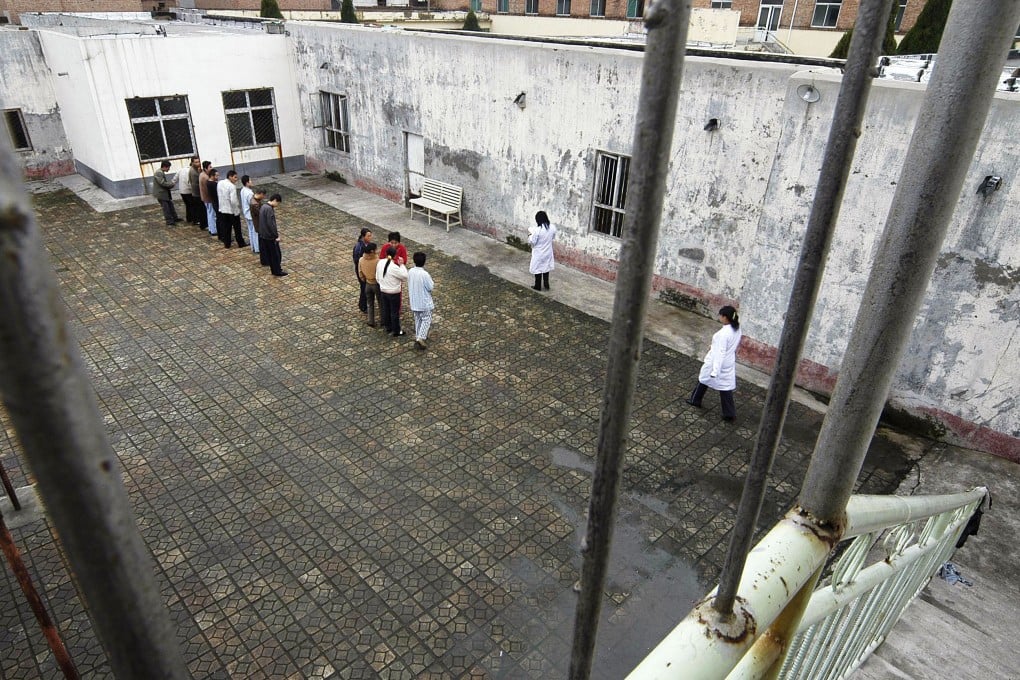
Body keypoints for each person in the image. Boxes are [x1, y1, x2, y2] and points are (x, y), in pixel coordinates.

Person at [686, 305, 742, 421]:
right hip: (728, 361)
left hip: (717, 362)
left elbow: (720, 353)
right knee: (725, 387)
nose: (719, 317)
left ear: (725, 317)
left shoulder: (723, 334)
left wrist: (715, 371)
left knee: (704, 379)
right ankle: (729, 413)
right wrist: (713, 346)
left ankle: (695, 400)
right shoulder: (736, 328)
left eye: (720, 315)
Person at [376, 247, 408, 337]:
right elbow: (405, 276)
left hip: (383, 290)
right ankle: (396, 330)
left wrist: (382, 284)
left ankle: (388, 327)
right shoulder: (394, 267)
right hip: (394, 293)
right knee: (394, 312)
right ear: (395, 256)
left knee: (386, 309)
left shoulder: (380, 262)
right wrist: (402, 265)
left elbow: (377, 277)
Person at [407, 251, 435, 350]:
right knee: (426, 319)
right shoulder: (424, 274)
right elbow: (430, 287)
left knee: (418, 319)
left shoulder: (410, 271)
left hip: (414, 301)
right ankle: (421, 337)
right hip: (424, 302)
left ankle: (418, 335)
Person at [258, 194, 287, 277]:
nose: (277, 205)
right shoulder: (269, 209)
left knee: (271, 255)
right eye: (277, 203)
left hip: (264, 235)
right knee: (275, 255)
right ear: (274, 200)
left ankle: (274, 270)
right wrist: (276, 235)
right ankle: (277, 271)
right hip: (270, 236)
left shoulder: (263, 207)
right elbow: (271, 224)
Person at [217, 169, 246, 249]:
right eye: (235, 177)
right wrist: (237, 207)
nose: (236, 179)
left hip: (223, 209)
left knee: (226, 227)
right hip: (232, 211)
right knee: (237, 228)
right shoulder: (232, 186)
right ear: (230, 177)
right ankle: (240, 242)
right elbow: (233, 200)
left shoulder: (220, 183)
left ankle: (227, 243)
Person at [528, 210, 556, 291]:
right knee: (546, 267)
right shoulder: (552, 228)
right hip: (548, 251)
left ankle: (538, 286)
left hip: (539, 252)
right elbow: (553, 237)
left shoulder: (537, 230)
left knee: (538, 269)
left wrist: (529, 234)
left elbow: (532, 241)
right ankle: (546, 284)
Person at [358, 242, 381, 327]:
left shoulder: (361, 260)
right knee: (380, 302)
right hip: (376, 284)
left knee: (370, 303)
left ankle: (371, 321)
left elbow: (360, 273)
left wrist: (365, 279)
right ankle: (383, 320)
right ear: (372, 251)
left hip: (367, 283)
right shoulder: (377, 261)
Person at [151, 160, 180, 226]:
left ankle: (174, 218)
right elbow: (162, 183)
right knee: (166, 208)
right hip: (161, 194)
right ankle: (169, 221)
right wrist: (171, 184)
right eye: (168, 167)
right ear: (164, 167)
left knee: (170, 206)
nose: (169, 169)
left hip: (164, 193)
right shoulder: (159, 173)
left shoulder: (161, 172)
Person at [353, 228, 372, 313]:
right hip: (361, 269)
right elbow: (357, 260)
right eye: (368, 236)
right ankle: (363, 305)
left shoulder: (366, 244)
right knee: (364, 286)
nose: (370, 237)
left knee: (365, 287)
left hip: (365, 268)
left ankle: (364, 304)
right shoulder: (359, 247)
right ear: (363, 236)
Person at [240, 176, 259, 254]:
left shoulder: (242, 190)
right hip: (251, 215)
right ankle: (257, 248)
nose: (251, 181)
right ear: (247, 182)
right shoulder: (249, 193)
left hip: (246, 213)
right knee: (255, 232)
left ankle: (253, 247)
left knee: (250, 231)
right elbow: (252, 205)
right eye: (250, 180)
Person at [249, 188, 267, 265]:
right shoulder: (255, 204)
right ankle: (264, 260)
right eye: (263, 196)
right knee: (262, 244)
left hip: (258, 224)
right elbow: (261, 214)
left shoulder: (254, 199)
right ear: (261, 194)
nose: (264, 197)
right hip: (260, 225)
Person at [199, 161, 216, 235]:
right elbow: (208, 189)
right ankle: (213, 230)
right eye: (210, 167)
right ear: (206, 168)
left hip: (205, 198)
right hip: (208, 198)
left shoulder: (202, 174)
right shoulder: (205, 177)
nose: (211, 168)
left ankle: (211, 228)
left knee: (209, 213)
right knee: (212, 214)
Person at [179, 157, 196, 225]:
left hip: (182, 191)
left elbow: (175, 179)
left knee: (187, 205)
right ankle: (194, 219)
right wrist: (192, 190)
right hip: (188, 191)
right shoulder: (190, 171)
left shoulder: (181, 169)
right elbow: (189, 182)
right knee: (192, 205)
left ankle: (189, 218)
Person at [187, 156, 203, 227]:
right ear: (192, 163)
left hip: (196, 193)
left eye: (198, 162)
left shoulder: (196, 169)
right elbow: (196, 184)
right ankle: (201, 222)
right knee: (200, 209)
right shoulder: (193, 172)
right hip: (197, 193)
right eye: (196, 162)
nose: (198, 163)